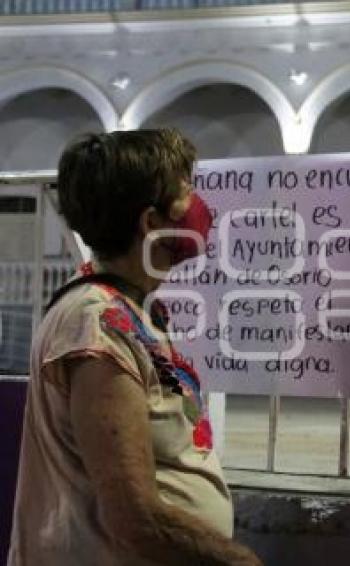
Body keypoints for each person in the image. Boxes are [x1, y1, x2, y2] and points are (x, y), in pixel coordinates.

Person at [7, 130, 262, 565]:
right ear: (151, 223)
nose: (200, 208)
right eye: (186, 195)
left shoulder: (131, 310)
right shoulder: (97, 325)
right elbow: (135, 519)